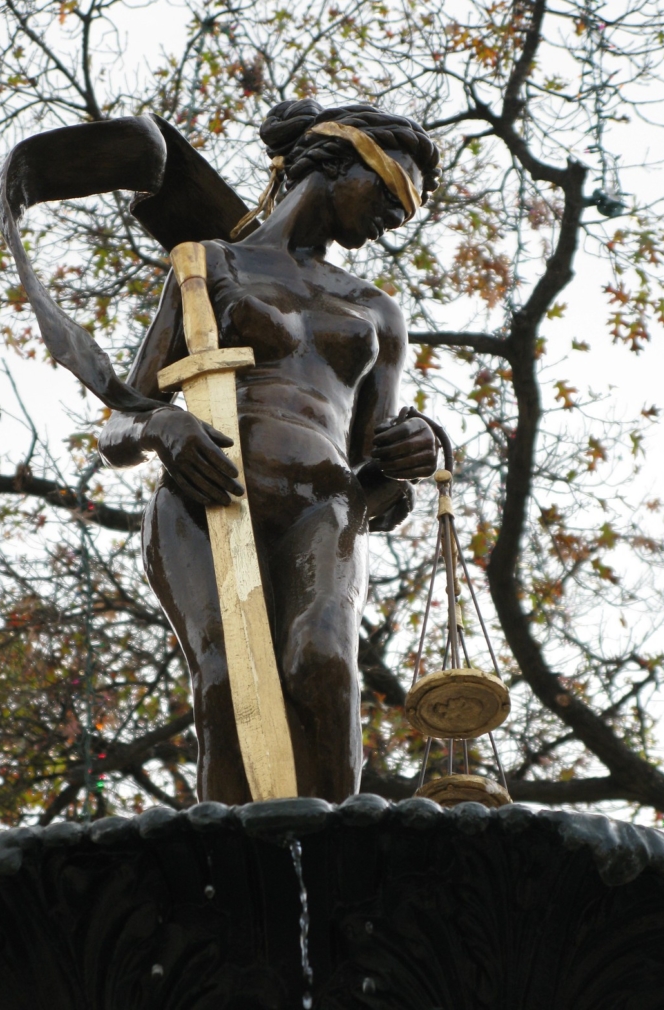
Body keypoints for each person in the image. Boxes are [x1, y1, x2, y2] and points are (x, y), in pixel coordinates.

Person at [98, 100, 441, 803]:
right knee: (227, 681)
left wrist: (412, 452)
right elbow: (118, 428)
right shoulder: (207, 267)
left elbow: (376, 480)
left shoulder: (376, 311)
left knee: (324, 662)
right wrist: (164, 428)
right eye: (390, 192)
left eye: (405, 210)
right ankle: (230, 857)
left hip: (325, 505)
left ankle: (340, 845)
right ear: (337, 162)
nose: (395, 217)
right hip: (205, 498)